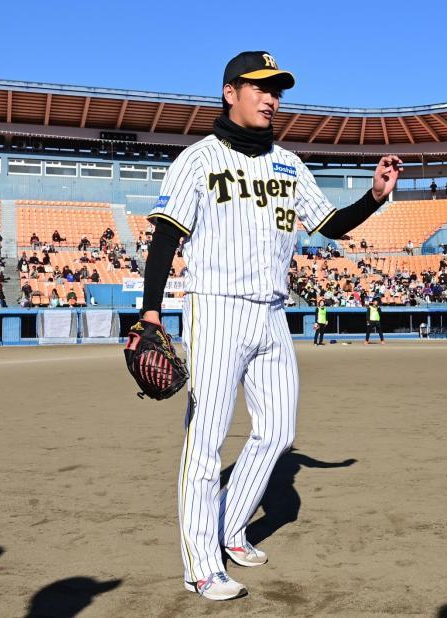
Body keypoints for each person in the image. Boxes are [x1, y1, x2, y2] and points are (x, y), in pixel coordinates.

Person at [137, 51, 402, 601]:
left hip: (271, 311)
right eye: (259, 87)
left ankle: (229, 528)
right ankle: (201, 564)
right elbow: (166, 235)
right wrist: (151, 311)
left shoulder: (288, 162)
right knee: (205, 441)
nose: (271, 97)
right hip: (216, 307)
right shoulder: (198, 159)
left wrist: (374, 198)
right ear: (230, 92)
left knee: (278, 429)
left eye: (276, 89)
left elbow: (328, 225)